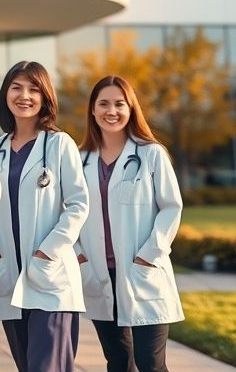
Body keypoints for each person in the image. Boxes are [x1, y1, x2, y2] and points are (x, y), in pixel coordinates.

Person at [0, 60, 89, 372]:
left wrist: (47, 252)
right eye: (16, 87)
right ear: (5, 94)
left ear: (45, 98)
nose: (24, 95)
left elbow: (78, 204)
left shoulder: (58, 144)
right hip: (10, 277)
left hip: (50, 277)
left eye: (33, 89)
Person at [74, 75, 184, 372]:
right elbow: (66, 212)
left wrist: (149, 255)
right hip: (99, 274)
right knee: (118, 362)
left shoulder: (150, 154)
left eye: (119, 104)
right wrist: (80, 258)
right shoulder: (78, 159)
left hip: (142, 270)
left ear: (131, 108)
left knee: (150, 363)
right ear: (93, 111)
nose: (112, 111)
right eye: (104, 104)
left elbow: (171, 207)